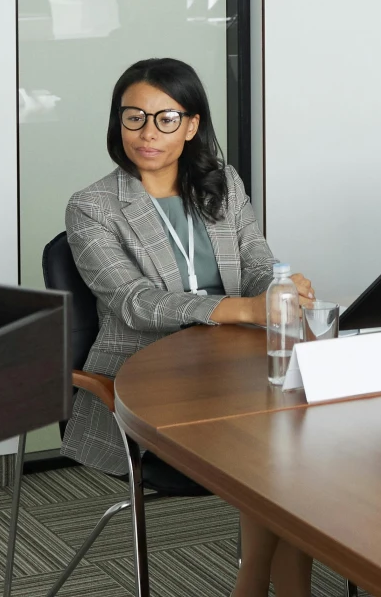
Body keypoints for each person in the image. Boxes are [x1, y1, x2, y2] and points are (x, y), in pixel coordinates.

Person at [65, 57, 317, 597]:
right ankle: (257, 584)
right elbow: (134, 303)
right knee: (277, 445)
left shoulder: (220, 183)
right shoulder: (92, 207)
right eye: (133, 118)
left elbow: (253, 260)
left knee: (299, 437)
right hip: (146, 383)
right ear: (117, 122)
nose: (147, 133)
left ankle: (268, 586)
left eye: (165, 119)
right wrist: (243, 310)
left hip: (236, 364)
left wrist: (275, 288)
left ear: (192, 125)